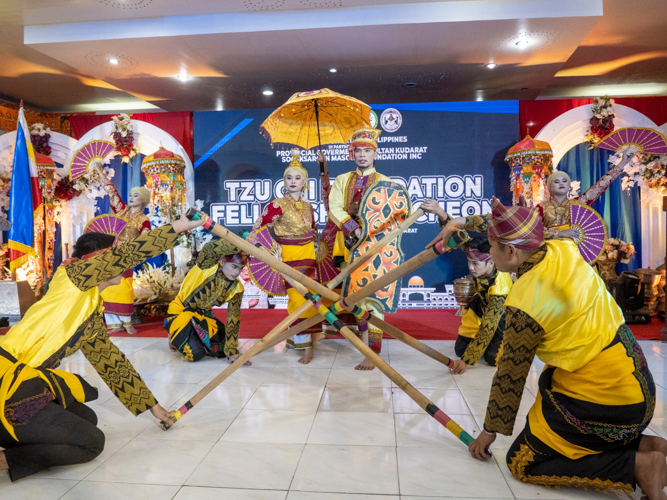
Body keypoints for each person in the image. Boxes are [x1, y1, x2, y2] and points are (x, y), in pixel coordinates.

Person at [432, 198, 666, 499]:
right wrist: (457, 223)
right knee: (547, 402)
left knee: (522, 462)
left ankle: (638, 465)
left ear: (512, 251)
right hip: (638, 385)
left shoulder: (526, 298)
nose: (489, 253)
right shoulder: (561, 246)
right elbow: (503, 225)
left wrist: (488, 432)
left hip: (605, 400)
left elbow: (511, 376)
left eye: (492, 248)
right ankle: (652, 445)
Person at [0, 215, 204, 481]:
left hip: (27, 380)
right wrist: (178, 227)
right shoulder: (73, 275)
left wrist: (153, 406)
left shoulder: (91, 307)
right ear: (98, 260)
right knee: (92, 443)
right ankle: (4, 460)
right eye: (114, 255)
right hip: (9, 380)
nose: (122, 262)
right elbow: (126, 255)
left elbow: (111, 363)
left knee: (87, 419)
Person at [328, 128, 393, 370]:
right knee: (354, 298)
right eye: (358, 151)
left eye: (367, 151)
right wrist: (351, 226)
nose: (362, 155)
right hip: (347, 245)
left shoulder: (386, 182)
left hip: (374, 247)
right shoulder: (342, 180)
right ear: (352, 153)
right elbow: (334, 207)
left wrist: (368, 229)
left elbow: (393, 213)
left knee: (374, 299)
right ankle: (366, 344)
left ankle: (372, 353)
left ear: (375, 153)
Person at [422, 200, 512, 374]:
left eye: (476, 264)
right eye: (469, 262)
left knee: (494, 359)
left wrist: (467, 361)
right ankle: (483, 346)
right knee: (461, 349)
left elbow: (489, 325)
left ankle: (502, 341)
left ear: (491, 261)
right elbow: (458, 236)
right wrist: (441, 212)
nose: (471, 268)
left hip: (502, 317)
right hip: (480, 307)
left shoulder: (501, 286)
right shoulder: (479, 254)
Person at [248, 150, 321, 364]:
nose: (293, 181)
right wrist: (271, 249)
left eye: (297, 177)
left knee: (313, 297)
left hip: (309, 256)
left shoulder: (309, 206)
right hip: (288, 255)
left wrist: (317, 248)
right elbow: (256, 231)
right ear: (284, 181)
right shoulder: (276, 205)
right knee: (299, 299)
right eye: (289, 177)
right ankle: (305, 346)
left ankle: (310, 339)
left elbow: (314, 230)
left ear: (304, 182)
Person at [164, 238, 250, 364]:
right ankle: (173, 328)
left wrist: (232, 352)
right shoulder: (207, 265)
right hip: (181, 311)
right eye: (234, 266)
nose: (237, 272)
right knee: (195, 353)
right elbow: (211, 246)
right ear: (221, 261)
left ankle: (192, 335)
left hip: (203, 316)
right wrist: (244, 243)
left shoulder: (236, 288)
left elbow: (233, 320)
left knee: (221, 349)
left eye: (241, 268)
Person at [94, 161, 152, 334]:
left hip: (128, 256)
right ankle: (113, 323)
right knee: (107, 286)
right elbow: (112, 191)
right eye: (131, 195)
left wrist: (138, 250)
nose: (131, 197)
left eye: (135, 195)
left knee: (124, 288)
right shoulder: (121, 210)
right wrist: (99, 172)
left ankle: (127, 321)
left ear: (143, 200)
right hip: (111, 254)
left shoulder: (144, 220)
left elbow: (145, 240)